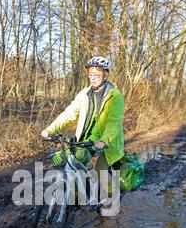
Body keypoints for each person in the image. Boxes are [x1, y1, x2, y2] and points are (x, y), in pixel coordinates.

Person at [41, 56, 125, 209]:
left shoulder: (115, 97)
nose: (93, 78)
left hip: (107, 141)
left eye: (97, 75)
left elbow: (113, 123)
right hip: (86, 139)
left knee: (101, 171)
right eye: (91, 74)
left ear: (106, 75)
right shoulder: (84, 94)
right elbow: (69, 114)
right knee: (73, 161)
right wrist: (49, 129)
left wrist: (104, 141)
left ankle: (111, 196)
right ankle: (75, 198)